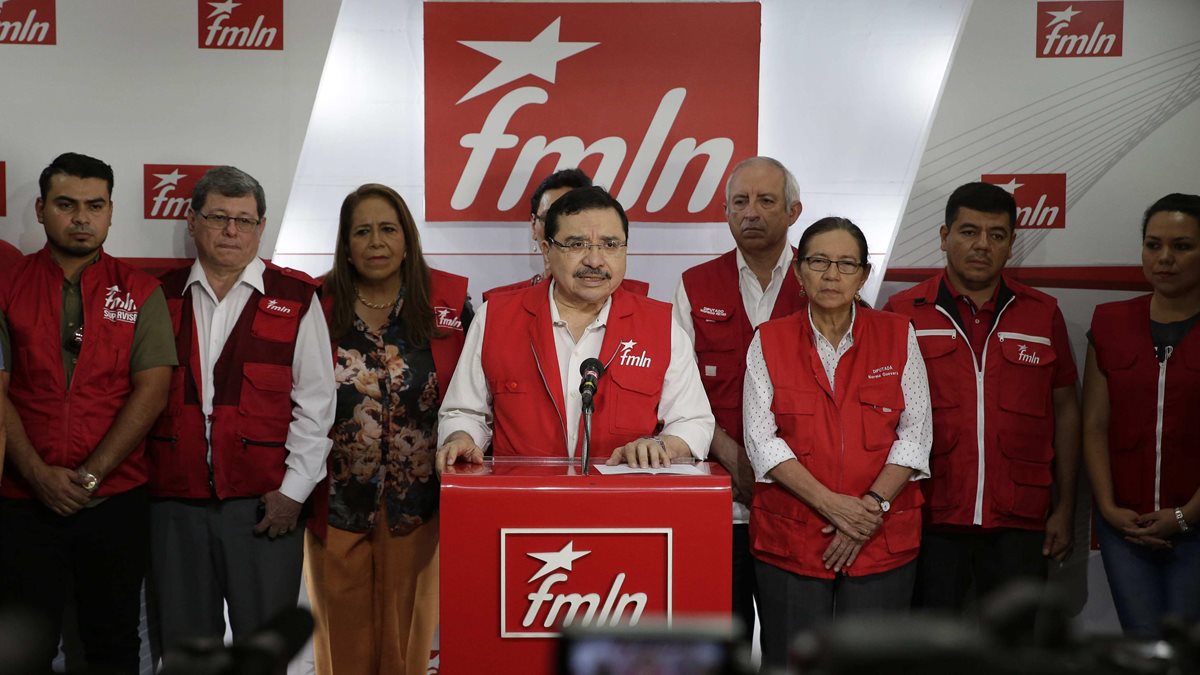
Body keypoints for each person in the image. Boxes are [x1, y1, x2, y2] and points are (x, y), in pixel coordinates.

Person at [145, 166, 336, 655]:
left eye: (244, 220)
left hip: (265, 509)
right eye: (218, 217)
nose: (231, 231)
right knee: (186, 653)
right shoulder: (157, 296)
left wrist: (293, 493)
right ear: (193, 221)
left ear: (261, 227)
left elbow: (316, 406)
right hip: (174, 507)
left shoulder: (296, 298)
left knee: (264, 652)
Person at [0, 152, 176, 673]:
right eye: (66, 204)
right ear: (40, 209)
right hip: (22, 501)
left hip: (114, 502)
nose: (81, 218)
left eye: (95, 205)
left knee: (113, 645)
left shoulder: (140, 291)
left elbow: (152, 391)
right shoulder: (7, 286)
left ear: (111, 212)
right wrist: (37, 475)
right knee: (23, 651)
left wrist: (91, 477)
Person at [882, 182, 1081, 611]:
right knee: (931, 643)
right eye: (969, 231)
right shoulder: (902, 313)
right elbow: (879, 418)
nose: (982, 245)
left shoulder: (1042, 313)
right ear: (944, 236)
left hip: (1020, 520)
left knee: (1014, 644)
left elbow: (1065, 411)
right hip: (930, 515)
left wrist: (1065, 508)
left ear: (1011, 244)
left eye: (996, 235)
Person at [745, 217, 931, 668]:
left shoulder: (897, 335)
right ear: (799, 271)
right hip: (794, 537)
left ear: (864, 275)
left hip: (879, 536)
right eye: (819, 262)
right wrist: (833, 506)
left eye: (847, 264)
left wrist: (868, 509)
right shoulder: (768, 340)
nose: (832, 275)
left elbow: (916, 433)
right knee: (791, 663)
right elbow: (761, 440)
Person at [305, 184, 471, 675]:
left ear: (407, 239)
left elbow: (473, 398)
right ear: (345, 245)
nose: (376, 242)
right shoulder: (314, 306)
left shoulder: (448, 306)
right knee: (341, 643)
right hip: (336, 502)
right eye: (362, 232)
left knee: (406, 644)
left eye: (387, 229)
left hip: (418, 507)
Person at [436, 185, 714, 470]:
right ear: (547, 251)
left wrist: (662, 445)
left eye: (610, 245)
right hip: (521, 494)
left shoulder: (660, 326)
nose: (594, 260)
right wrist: (460, 437)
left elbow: (693, 421)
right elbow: (464, 412)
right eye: (577, 244)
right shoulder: (495, 317)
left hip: (626, 495)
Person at [672, 156, 807, 641]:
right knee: (718, 645)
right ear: (726, 212)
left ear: (793, 211)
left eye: (766, 201)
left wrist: (780, 472)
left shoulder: (824, 280)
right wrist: (731, 457)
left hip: (800, 507)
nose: (751, 212)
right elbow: (677, 393)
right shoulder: (694, 284)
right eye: (740, 202)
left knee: (793, 649)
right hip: (718, 503)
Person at [1083, 193, 1200, 637]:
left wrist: (1186, 515)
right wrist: (1109, 508)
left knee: (1183, 652)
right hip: (1124, 527)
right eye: (1153, 245)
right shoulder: (1110, 321)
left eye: (1182, 246)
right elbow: (1095, 423)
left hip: (1196, 524)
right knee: (1142, 648)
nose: (1164, 257)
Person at [482, 168, 649, 302]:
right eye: (549, 217)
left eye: (572, 212)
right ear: (533, 225)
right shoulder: (497, 309)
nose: (593, 260)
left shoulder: (645, 310)